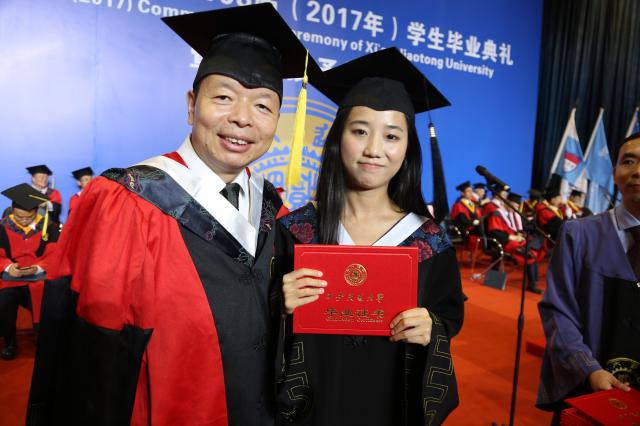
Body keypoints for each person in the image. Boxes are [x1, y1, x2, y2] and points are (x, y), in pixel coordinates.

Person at [27, 5, 318, 425]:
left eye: (263, 106)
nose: (242, 118)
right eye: (223, 97)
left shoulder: (272, 207)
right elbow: (94, 353)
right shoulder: (128, 200)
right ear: (191, 105)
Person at [274, 48, 465, 425]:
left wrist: (431, 327)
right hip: (312, 410)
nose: (374, 149)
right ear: (337, 138)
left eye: (392, 136)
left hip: (391, 406)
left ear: (407, 148)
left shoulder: (429, 241)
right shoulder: (296, 232)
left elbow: (448, 316)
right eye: (359, 131)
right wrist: (279, 306)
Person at [536, 132, 640, 417]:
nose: (637, 171)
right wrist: (588, 369)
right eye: (628, 161)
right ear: (614, 173)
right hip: (587, 387)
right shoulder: (578, 234)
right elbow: (558, 311)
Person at [0, 184, 60, 359]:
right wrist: (8, 266)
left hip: (38, 278)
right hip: (10, 279)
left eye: (29, 217)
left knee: (46, 296)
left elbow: (55, 254)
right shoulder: (2, 227)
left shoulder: (49, 227)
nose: (24, 221)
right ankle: (10, 341)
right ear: (12, 211)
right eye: (19, 217)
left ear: (36, 211)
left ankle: (43, 338)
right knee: (4, 299)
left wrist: (38, 267)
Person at [485, 192, 543, 294]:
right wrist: (511, 237)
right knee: (531, 255)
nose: (515, 208)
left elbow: (518, 229)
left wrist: (520, 235)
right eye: (514, 206)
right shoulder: (497, 214)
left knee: (533, 250)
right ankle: (532, 284)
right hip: (503, 242)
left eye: (517, 206)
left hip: (514, 242)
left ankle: (533, 283)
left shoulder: (513, 214)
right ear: (507, 203)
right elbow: (494, 232)